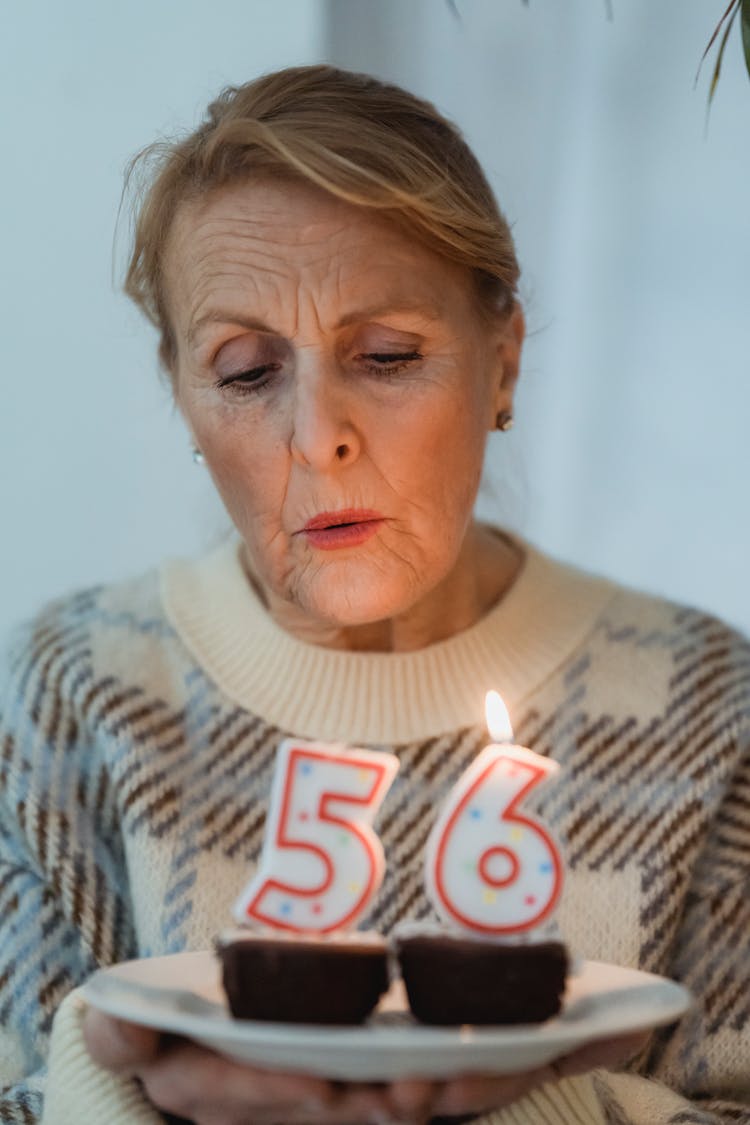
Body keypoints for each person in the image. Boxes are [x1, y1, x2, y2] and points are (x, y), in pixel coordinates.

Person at [0, 63, 748, 1125]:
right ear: (183, 397)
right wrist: (117, 1094)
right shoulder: (70, 693)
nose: (316, 436)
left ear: (503, 362)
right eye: (248, 372)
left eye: (387, 355)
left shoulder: (709, 709)